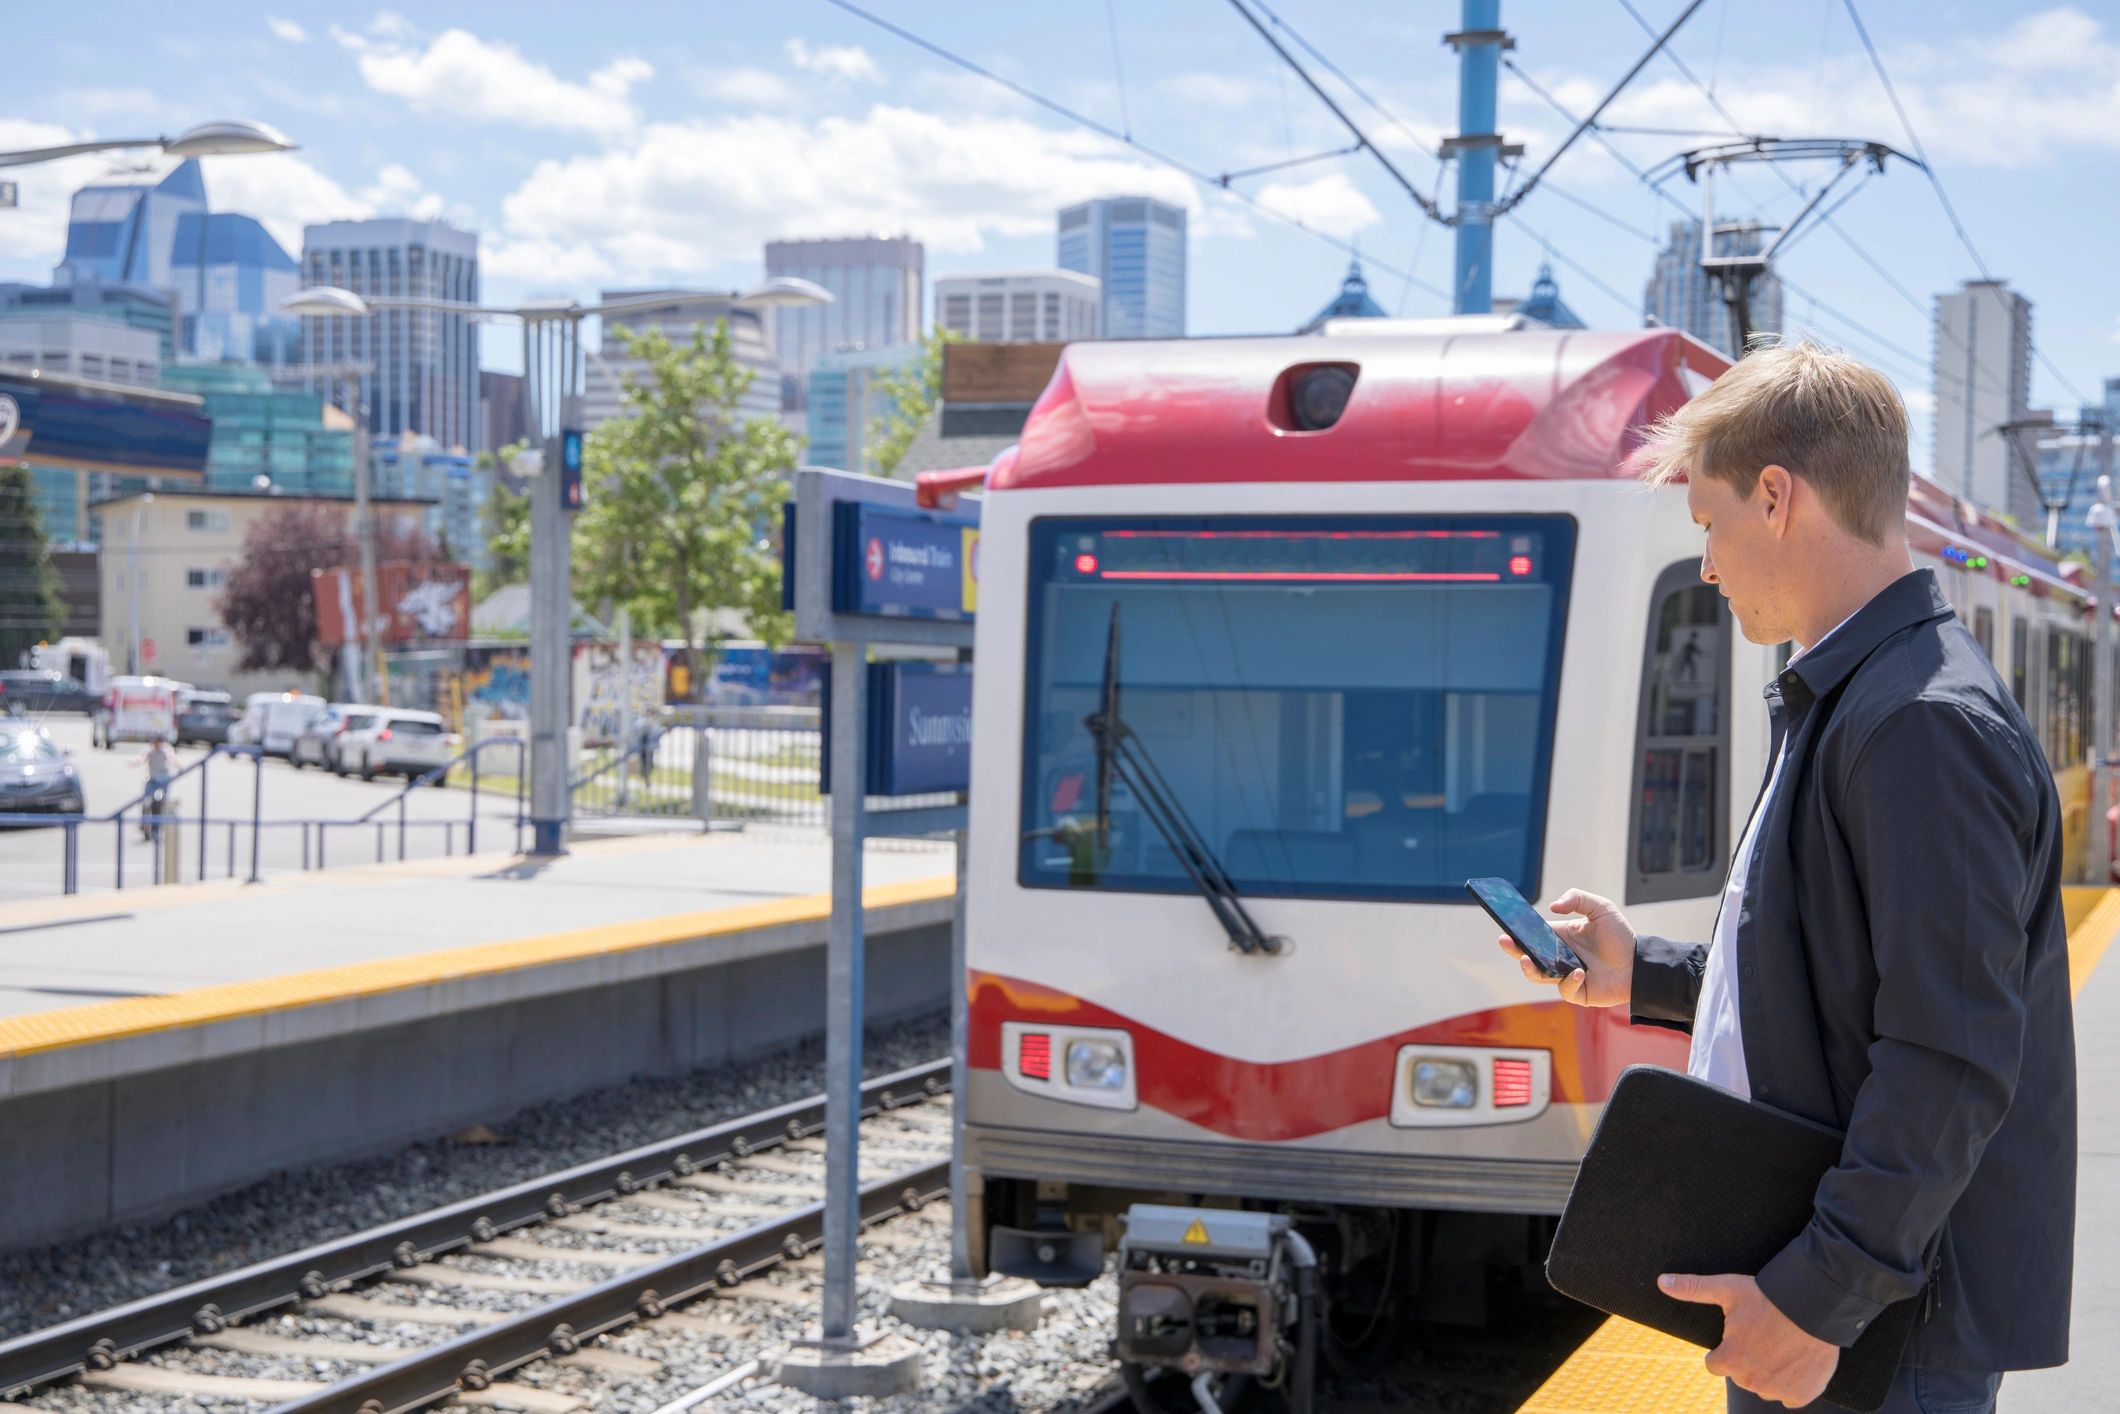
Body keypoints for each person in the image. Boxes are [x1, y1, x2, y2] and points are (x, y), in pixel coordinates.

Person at [1499, 343, 2075, 1412]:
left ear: (1775, 496)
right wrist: (1648, 974)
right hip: (1846, 1293)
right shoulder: (1863, 694)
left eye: (1707, 523)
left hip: (1876, 1327)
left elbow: (1947, 1060)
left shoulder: (1915, 724)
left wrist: (1817, 1298)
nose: (1707, 565)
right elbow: (1839, 974)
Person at [141, 737, 173, 841]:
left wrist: (180, 766)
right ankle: (144, 822)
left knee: (158, 803)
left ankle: (156, 829)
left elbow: (172, 758)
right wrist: (134, 762)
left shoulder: (166, 751)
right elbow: (142, 758)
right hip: (152, 780)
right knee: (145, 801)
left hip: (161, 781)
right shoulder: (150, 751)